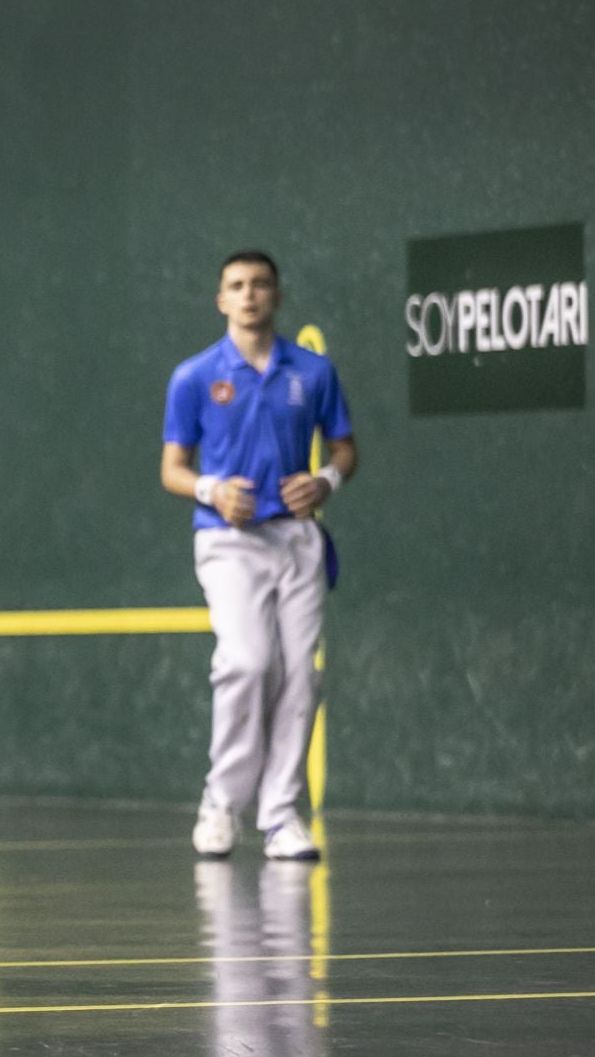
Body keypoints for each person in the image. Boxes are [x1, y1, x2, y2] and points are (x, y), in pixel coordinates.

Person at [160, 250, 355, 862]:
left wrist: (324, 481)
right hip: (228, 542)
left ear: (277, 296)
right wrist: (212, 490)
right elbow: (172, 468)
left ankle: (280, 815)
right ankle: (221, 803)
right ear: (221, 299)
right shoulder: (194, 377)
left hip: (297, 541)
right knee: (247, 663)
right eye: (237, 285)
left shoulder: (314, 372)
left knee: (300, 674)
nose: (249, 295)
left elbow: (345, 450)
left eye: (260, 285)